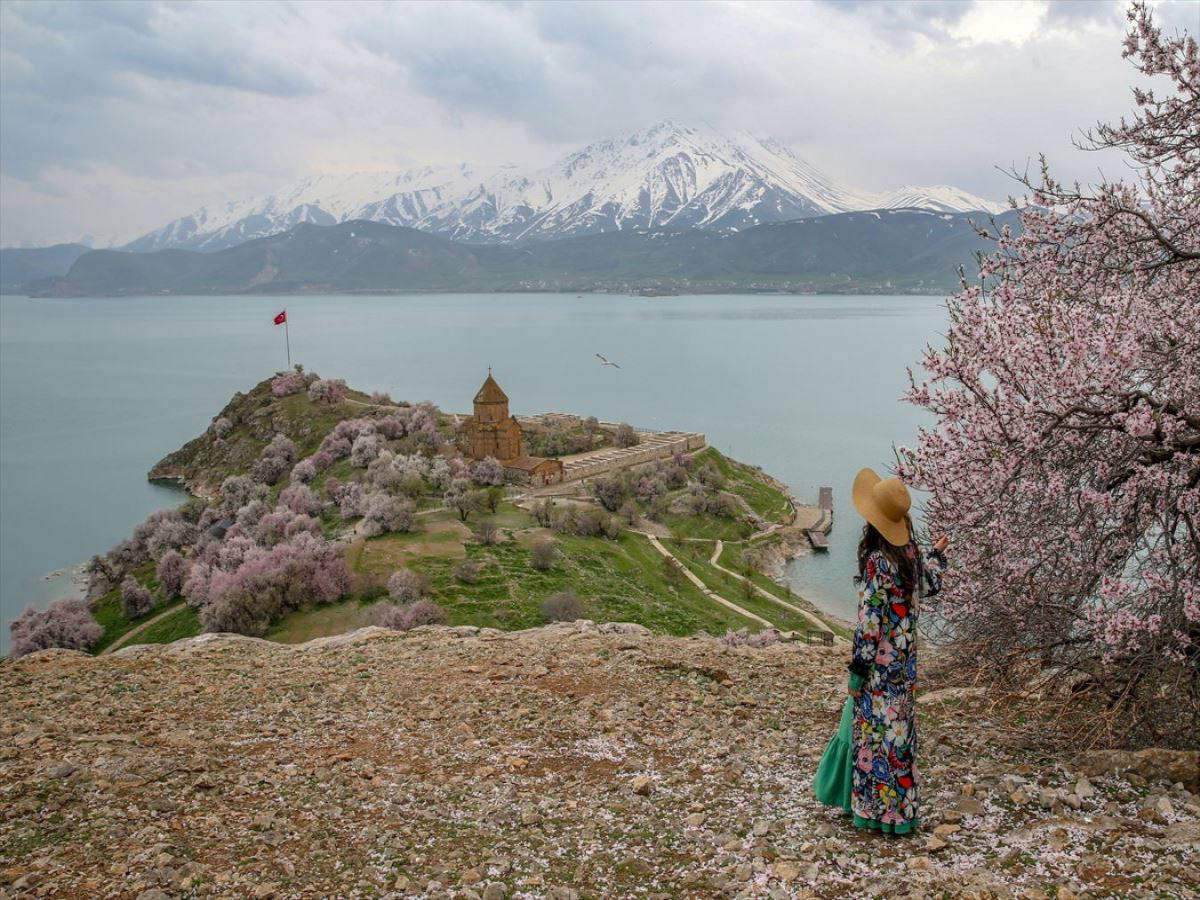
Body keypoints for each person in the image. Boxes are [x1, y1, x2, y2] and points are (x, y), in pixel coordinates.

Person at [813, 467, 948, 835]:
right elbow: (930, 584)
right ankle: (900, 817)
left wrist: (857, 671)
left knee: (873, 740)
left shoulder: (878, 562)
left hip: (877, 673)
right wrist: (937, 555)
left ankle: (872, 814)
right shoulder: (909, 555)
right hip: (904, 671)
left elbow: (869, 626)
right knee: (898, 740)